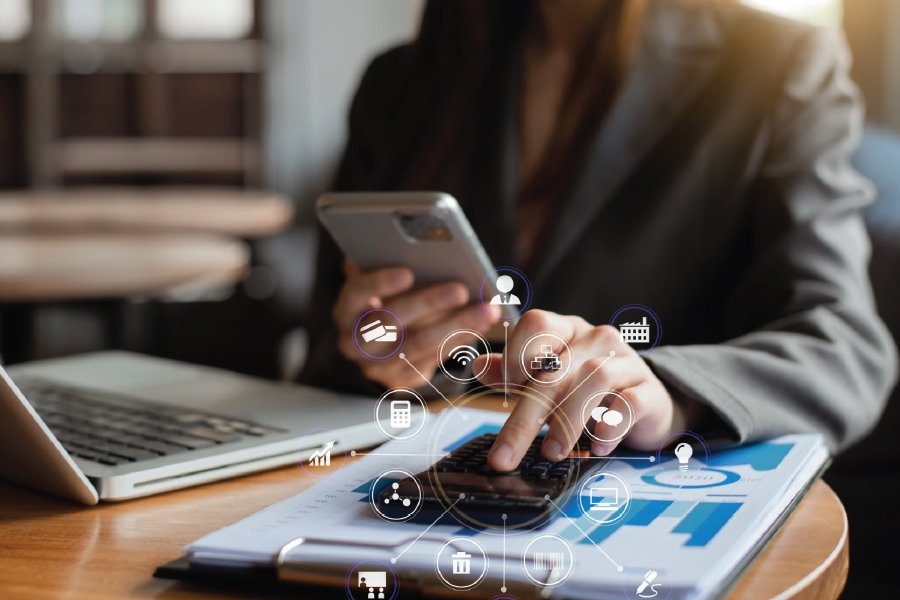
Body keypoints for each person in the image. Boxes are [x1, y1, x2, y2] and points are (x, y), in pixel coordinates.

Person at [302, 0, 898, 472]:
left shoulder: (776, 64)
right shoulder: (402, 82)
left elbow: (843, 347)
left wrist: (667, 392)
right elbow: (328, 358)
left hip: (636, 511)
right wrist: (380, 350)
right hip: (431, 499)